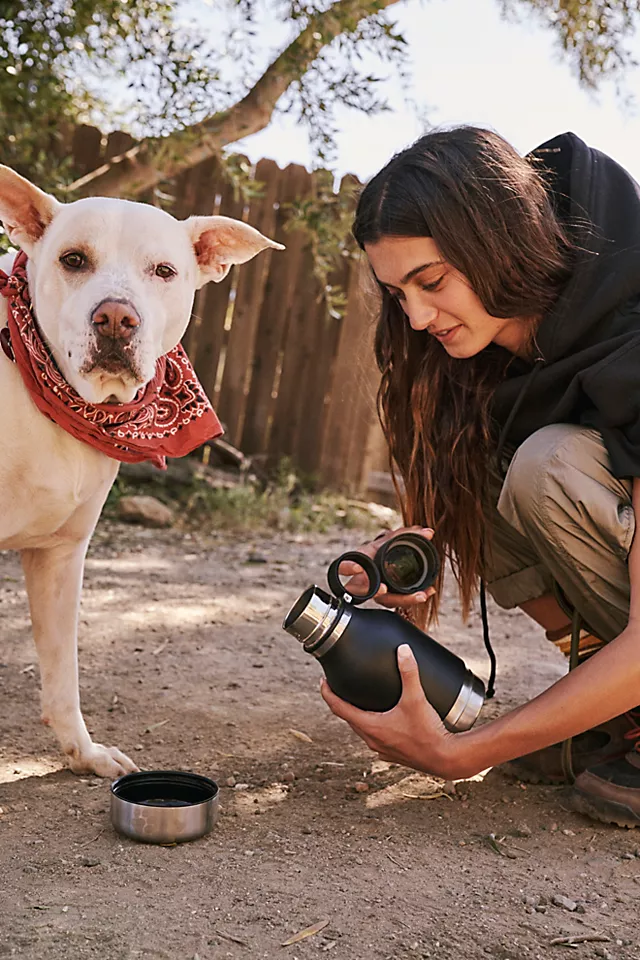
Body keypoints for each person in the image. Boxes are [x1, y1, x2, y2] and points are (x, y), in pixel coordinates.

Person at [319, 125, 640, 828]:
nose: (418, 316)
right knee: (484, 476)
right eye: (397, 293)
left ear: (497, 243)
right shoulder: (494, 356)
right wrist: (413, 562)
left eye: (431, 282)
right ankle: (616, 715)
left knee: (548, 463)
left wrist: (462, 753)